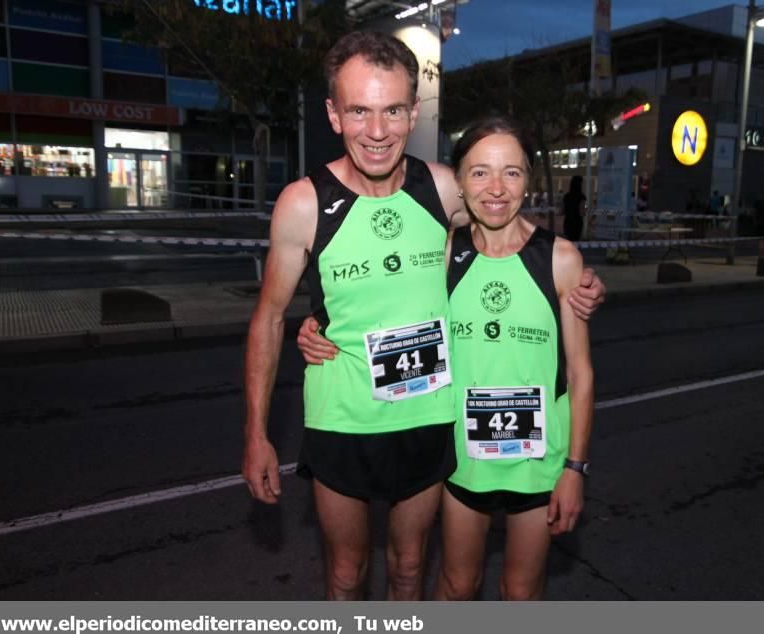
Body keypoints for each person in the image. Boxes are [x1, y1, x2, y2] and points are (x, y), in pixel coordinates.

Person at [242, 30, 606, 601]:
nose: (378, 131)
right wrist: (257, 433)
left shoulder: (442, 188)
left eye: (392, 110)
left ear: (414, 113)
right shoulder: (302, 203)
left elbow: (504, 217)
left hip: (428, 420)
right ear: (334, 114)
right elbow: (266, 317)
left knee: (411, 569)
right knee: (345, 574)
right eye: (360, 111)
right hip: (341, 418)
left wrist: (579, 281)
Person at [433, 116, 594, 601]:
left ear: (529, 179)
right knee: (458, 585)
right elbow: (386, 315)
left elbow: (581, 375)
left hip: (538, 464)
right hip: (462, 460)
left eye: (512, 172)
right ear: (458, 182)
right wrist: (319, 325)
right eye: (480, 172)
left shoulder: (560, 258)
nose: (496, 188)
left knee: (521, 593)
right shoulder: (444, 254)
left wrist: (575, 469)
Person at [562, 175, 585, 241]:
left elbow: (561, 211)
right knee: (576, 242)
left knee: (569, 242)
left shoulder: (566, 196)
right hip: (577, 222)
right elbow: (582, 213)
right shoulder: (582, 196)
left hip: (568, 222)